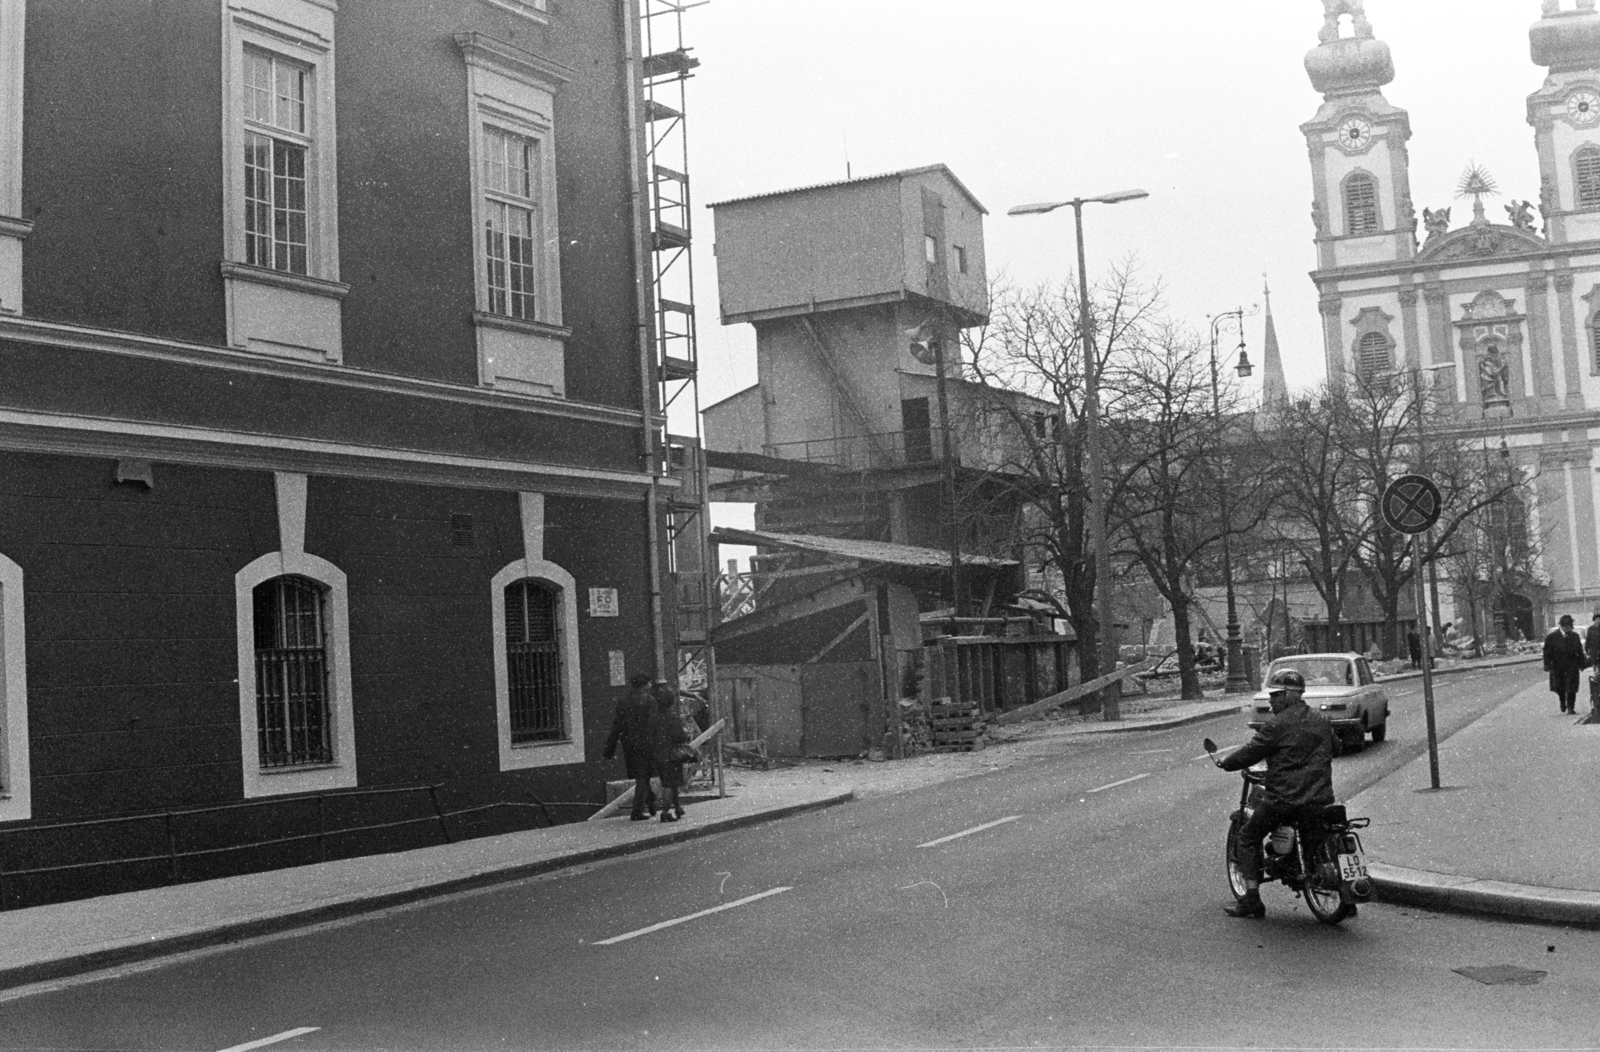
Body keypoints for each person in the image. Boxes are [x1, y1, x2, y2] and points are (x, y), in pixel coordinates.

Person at [1217, 668, 1339, 919]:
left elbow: (1252, 751)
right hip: (1320, 798)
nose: (1271, 701)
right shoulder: (1321, 720)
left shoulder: (1277, 724)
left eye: (1275, 695)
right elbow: (1336, 747)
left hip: (1286, 799)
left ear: (1290, 695)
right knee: (1316, 834)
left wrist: (1226, 763)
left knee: (1248, 835)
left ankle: (1251, 899)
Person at [602, 673, 658, 821]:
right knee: (643, 777)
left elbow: (617, 726)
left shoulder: (623, 702)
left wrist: (610, 748)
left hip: (630, 745)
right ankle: (638, 810)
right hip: (647, 744)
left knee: (642, 776)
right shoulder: (650, 701)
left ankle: (650, 799)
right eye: (649, 683)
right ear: (645, 685)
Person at [649, 681, 692, 822]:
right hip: (671, 755)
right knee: (669, 784)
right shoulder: (673, 718)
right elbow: (680, 736)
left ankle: (678, 807)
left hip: (657, 754)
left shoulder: (653, 717)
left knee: (670, 782)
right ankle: (665, 813)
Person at [1543, 614, 1587, 715]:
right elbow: (1547, 652)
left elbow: (1579, 651)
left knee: (1572, 687)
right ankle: (1562, 701)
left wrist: (1582, 663)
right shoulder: (1552, 637)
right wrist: (1547, 665)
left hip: (1572, 665)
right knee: (1560, 687)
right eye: (1567, 627)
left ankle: (1571, 707)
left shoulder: (1575, 636)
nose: (1569, 629)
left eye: (1571, 627)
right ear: (1562, 626)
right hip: (1558, 666)